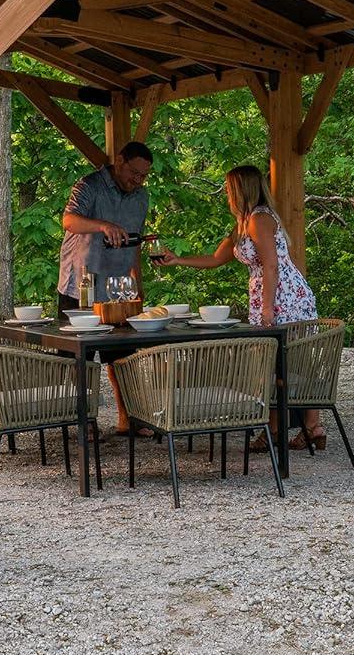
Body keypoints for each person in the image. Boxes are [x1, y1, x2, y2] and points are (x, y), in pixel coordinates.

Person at [152, 164, 325, 448]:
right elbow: (216, 259)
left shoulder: (259, 219)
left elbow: (271, 264)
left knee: (285, 361)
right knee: (274, 363)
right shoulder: (243, 223)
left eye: (229, 189)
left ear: (240, 190)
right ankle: (294, 428)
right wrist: (177, 260)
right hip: (267, 294)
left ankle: (297, 428)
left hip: (284, 297)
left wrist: (268, 308)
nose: (226, 195)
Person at [59, 142, 154, 434]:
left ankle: (129, 419)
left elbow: (135, 243)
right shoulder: (89, 185)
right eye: (134, 173)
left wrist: (138, 282)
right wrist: (102, 225)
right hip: (82, 284)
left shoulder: (141, 198)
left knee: (123, 357)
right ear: (120, 161)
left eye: (143, 176)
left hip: (120, 289)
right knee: (80, 360)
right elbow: (68, 220)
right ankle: (84, 421)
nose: (137, 181)